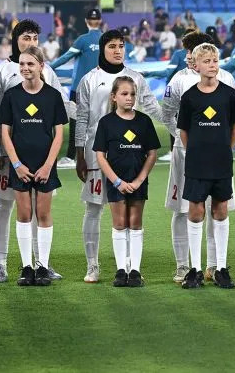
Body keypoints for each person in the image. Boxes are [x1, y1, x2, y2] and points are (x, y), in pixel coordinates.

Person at [0, 21, 71, 283]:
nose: (31, 41)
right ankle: (1, 263)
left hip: (43, 157)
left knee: (42, 209)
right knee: (5, 205)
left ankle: (40, 262)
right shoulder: (1, 72)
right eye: (26, 37)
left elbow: (59, 113)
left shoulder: (50, 75)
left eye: (35, 37)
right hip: (11, 155)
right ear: (15, 39)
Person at [74, 29, 160, 283]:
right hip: (96, 151)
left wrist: (176, 124)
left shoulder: (135, 77)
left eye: (121, 45)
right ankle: (93, 265)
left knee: (129, 212)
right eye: (112, 46)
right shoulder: (90, 79)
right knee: (93, 208)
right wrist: (79, 150)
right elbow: (81, 117)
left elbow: (151, 106)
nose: (117, 50)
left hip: (130, 154)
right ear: (102, 49)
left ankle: (130, 267)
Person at [161, 32, 235, 283]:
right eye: (205, 60)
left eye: (215, 59)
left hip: (220, 159)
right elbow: (176, 122)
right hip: (190, 157)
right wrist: (191, 148)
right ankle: (186, 266)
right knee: (186, 210)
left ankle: (217, 267)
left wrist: (225, 148)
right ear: (194, 61)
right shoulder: (184, 88)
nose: (212, 64)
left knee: (219, 209)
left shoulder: (227, 85)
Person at [93, 76, 160, 287]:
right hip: (116, 183)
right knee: (120, 223)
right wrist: (116, 181)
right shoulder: (106, 123)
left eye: (132, 94)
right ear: (114, 97)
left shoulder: (144, 121)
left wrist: (140, 180)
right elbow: (101, 156)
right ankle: (121, 269)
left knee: (135, 223)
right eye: (124, 94)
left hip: (137, 182)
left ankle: (135, 270)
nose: (129, 98)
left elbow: (151, 153)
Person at [51, 9, 104, 167]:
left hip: (80, 87)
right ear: (100, 21)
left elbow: (66, 57)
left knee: (76, 121)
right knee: (100, 120)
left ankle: (71, 157)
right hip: (100, 86)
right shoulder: (105, 39)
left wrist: (47, 67)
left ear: (86, 21)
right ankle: (100, 155)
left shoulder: (83, 40)